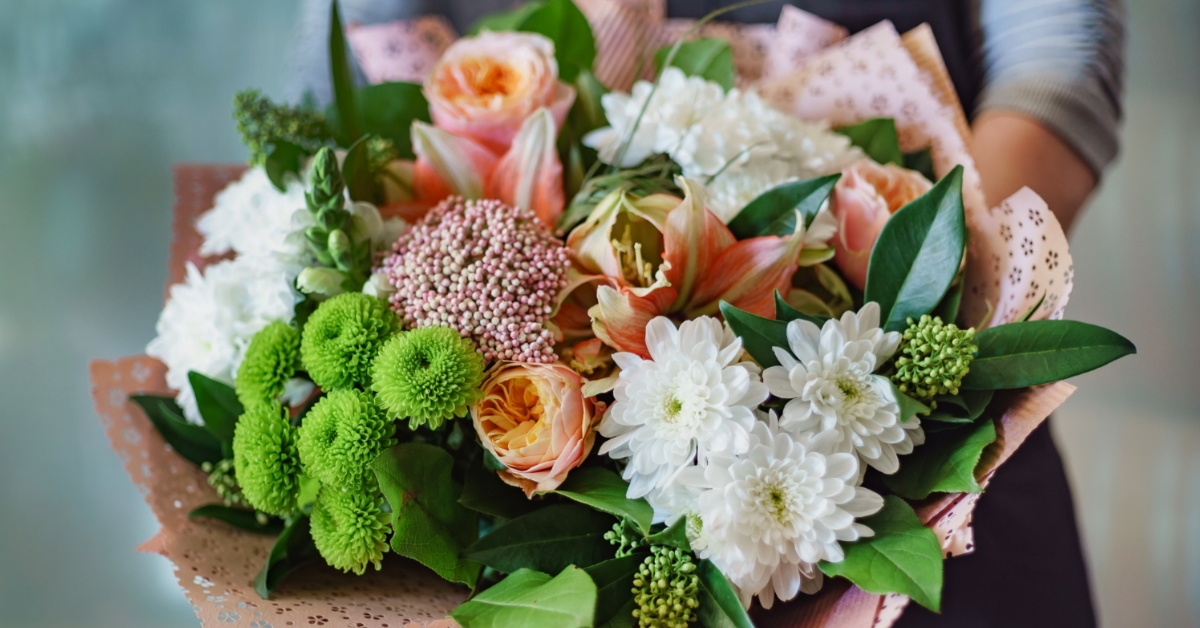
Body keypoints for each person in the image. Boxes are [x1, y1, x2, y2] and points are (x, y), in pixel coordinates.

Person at [292, 1, 1125, 625]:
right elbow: (363, 50)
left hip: (912, 395)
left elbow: (1059, 54)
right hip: (497, 371)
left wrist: (933, 293)